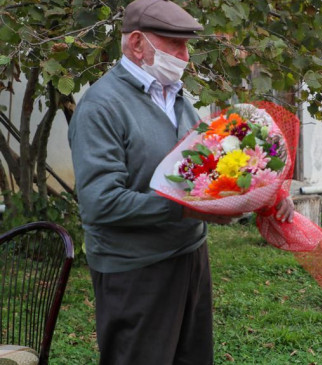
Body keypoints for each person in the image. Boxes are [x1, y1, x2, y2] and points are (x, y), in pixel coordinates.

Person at [68, 0, 294, 364]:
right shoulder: (102, 107)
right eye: (176, 44)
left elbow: (208, 174)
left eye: (187, 45)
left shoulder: (177, 99)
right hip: (135, 271)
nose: (185, 56)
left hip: (190, 259)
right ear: (137, 44)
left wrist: (267, 194)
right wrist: (188, 209)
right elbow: (101, 202)